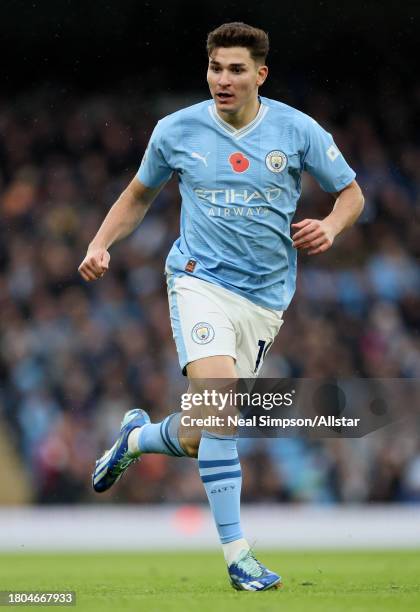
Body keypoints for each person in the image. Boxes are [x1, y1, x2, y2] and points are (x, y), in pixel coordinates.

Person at [78, 22, 364, 591]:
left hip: (265, 301)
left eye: (236, 69)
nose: (223, 79)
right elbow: (138, 194)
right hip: (198, 281)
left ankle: (134, 439)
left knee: (199, 431)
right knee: (224, 409)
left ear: (260, 75)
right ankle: (239, 558)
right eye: (215, 67)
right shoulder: (175, 130)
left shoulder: (297, 130)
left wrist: (331, 226)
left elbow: (351, 193)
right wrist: (100, 244)